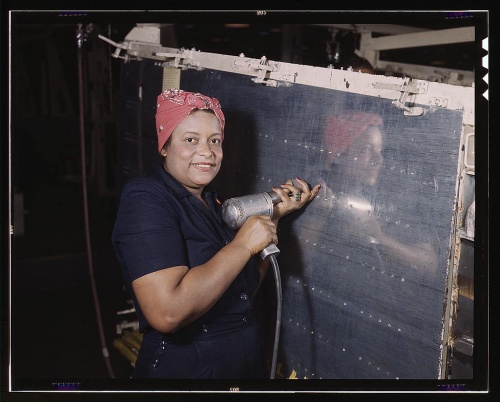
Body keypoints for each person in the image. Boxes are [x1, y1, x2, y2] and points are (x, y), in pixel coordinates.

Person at [111, 88, 320, 379]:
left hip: (244, 364)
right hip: (186, 371)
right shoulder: (146, 199)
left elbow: (243, 292)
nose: (207, 152)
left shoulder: (215, 203)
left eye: (215, 140)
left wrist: (274, 219)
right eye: (190, 139)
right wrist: (242, 245)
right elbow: (167, 313)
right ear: (164, 146)